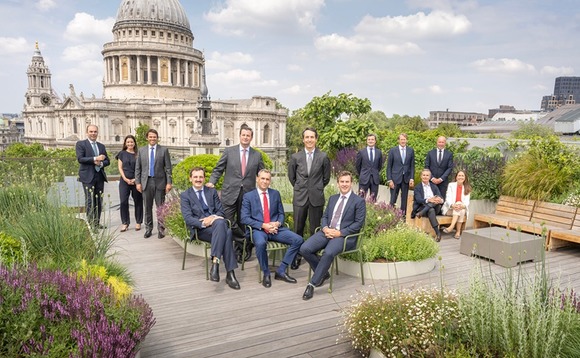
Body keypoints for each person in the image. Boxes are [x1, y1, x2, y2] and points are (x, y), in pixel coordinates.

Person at [300, 171, 366, 300]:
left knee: (328, 253)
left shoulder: (358, 201)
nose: (344, 184)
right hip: (327, 232)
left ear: (351, 183)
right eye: (342, 182)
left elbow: (358, 223)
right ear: (338, 183)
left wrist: (340, 232)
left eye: (347, 182)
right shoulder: (333, 198)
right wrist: (325, 228)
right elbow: (324, 216)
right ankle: (323, 273)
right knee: (304, 248)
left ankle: (312, 284)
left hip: (344, 236)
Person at [240, 169, 303, 288]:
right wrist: (263, 225)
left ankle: (281, 270)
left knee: (298, 240)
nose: (264, 181)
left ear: (270, 181)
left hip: (275, 230)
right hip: (259, 230)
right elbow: (244, 218)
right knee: (260, 243)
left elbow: (281, 214)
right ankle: (266, 273)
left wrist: (278, 223)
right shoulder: (248, 196)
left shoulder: (275, 194)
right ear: (257, 179)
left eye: (267, 179)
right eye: (262, 178)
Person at [180, 167, 240, 290]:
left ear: (204, 178)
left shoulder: (211, 192)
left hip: (216, 225)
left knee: (222, 226)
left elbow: (221, 211)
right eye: (195, 177)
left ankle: (216, 265)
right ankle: (230, 273)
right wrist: (204, 223)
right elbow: (188, 218)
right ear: (190, 178)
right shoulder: (185, 195)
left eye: (201, 177)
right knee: (227, 232)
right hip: (201, 230)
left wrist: (212, 218)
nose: (198, 179)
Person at [207, 125, 264, 241]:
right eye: (243, 135)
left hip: (248, 194)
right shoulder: (229, 151)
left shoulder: (257, 155)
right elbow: (219, 168)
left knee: (244, 221)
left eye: (248, 136)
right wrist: (212, 181)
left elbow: (261, 174)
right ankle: (243, 240)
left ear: (251, 138)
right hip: (229, 193)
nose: (245, 137)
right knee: (227, 220)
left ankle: (242, 251)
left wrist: (264, 188)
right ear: (239, 136)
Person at [288, 127, 331, 270]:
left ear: (316, 139)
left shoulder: (323, 157)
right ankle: (296, 257)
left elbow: (326, 178)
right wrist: (301, 188)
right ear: (303, 139)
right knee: (297, 229)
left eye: (312, 137)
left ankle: (313, 258)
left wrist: (315, 188)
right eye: (307, 137)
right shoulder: (296, 157)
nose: (309, 140)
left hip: (316, 198)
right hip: (300, 198)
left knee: (315, 229)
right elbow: (292, 177)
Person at [135, 129, 173, 239]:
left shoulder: (164, 150)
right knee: (147, 207)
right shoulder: (141, 151)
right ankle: (148, 229)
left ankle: (161, 229)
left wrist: (169, 183)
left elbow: (168, 168)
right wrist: (138, 183)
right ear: (147, 138)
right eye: (150, 137)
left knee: (160, 207)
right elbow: (138, 168)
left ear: (157, 138)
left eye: (154, 137)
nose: (152, 139)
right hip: (146, 182)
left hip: (160, 182)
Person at [76, 124, 109, 230]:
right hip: (87, 177)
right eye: (91, 131)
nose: (93, 133)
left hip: (99, 176)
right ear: (87, 132)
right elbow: (80, 159)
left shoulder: (101, 146)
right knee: (90, 201)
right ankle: (91, 224)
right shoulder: (81, 144)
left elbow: (107, 160)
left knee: (99, 200)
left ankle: (97, 222)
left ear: (97, 133)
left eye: (95, 132)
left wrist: (101, 163)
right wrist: (96, 158)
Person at [116, 135, 143, 232]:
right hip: (124, 180)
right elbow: (120, 167)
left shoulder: (138, 154)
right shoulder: (122, 153)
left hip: (136, 180)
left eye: (131, 142)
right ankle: (125, 223)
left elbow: (142, 168)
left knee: (138, 201)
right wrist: (125, 178)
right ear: (125, 143)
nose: (130, 144)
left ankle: (138, 222)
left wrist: (136, 179)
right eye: (128, 142)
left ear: (134, 143)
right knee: (123, 201)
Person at [412, 169, 444, 242]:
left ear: (430, 177)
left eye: (427, 175)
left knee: (434, 202)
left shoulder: (434, 186)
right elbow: (418, 199)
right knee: (431, 209)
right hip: (422, 206)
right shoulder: (417, 187)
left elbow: (441, 197)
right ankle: (438, 233)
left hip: (435, 207)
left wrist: (439, 200)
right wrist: (428, 200)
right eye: (424, 175)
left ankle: (422, 213)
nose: (425, 177)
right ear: (421, 176)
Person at [386, 133, 415, 215]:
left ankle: (403, 217)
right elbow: (389, 166)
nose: (403, 141)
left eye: (404, 139)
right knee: (393, 199)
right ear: (398, 140)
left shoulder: (411, 150)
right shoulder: (393, 150)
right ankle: (390, 216)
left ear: (407, 140)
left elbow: (412, 166)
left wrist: (412, 178)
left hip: (406, 179)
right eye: (401, 139)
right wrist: (389, 180)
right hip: (395, 179)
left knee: (404, 199)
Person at [442, 170, 471, 240]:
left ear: (465, 178)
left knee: (460, 207)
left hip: (460, 209)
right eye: (459, 175)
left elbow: (467, 202)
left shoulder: (467, 187)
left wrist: (462, 206)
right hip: (449, 209)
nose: (460, 177)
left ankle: (452, 227)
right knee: (459, 206)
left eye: (462, 176)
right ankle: (457, 231)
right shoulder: (451, 185)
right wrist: (452, 205)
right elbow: (448, 198)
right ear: (456, 177)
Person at [355, 133, 383, 201]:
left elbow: (379, 166)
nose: (370, 141)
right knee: (360, 199)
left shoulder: (379, 152)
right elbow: (358, 166)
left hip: (374, 180)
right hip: (364, 178)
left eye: (372, 139)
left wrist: (374, 172)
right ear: (367, 141)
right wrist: (362, 173)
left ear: (375, 141)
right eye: (369, 139)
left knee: (373, 200)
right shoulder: (361, 152)